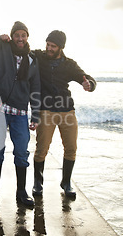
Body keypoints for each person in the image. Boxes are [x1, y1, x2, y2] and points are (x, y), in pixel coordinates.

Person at [0, 0, 41, 207]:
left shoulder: (32, 60)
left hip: (20, 114)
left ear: (27, 37)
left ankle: (21, 192)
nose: (20, 38)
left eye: (23, 35)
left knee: (21, 153)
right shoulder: (0, 47)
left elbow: (36, 89)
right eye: (17, 35)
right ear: (12, 36)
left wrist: (36, 115)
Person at [31, 30, 96, 198]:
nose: (49, 48)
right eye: (48, 44)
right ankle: (38, 183)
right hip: (46, 110)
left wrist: (89, 84)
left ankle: (66, 182)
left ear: (61, 47)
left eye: (53, 46)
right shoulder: (39, 57)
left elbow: (86, 77)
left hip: (67, 111)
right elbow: (21, 49)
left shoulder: (69, 64)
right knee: (41, 149)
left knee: (71, 148)